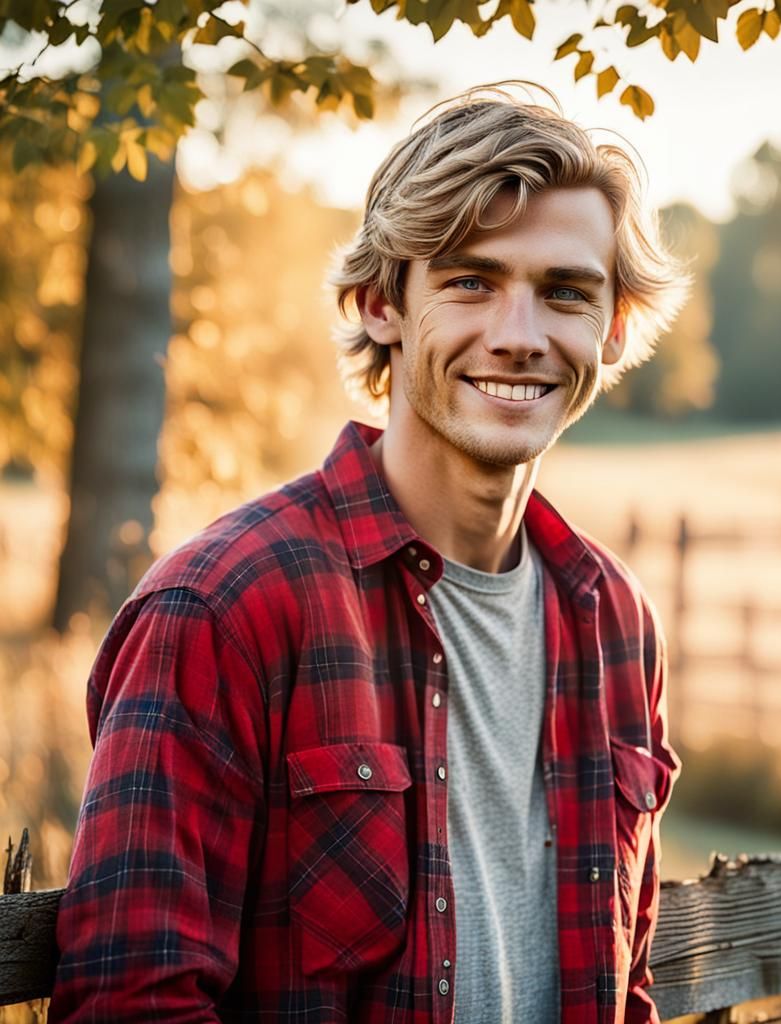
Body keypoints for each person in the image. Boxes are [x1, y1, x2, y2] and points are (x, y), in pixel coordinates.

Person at [50, 83, 686, 1023]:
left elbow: (623, 986)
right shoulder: (223, 607)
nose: (518, 338)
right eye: (471, 281)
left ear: (614, 328)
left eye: (564, 293)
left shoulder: (616, 620)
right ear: (379, 303)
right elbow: (129, 1007)